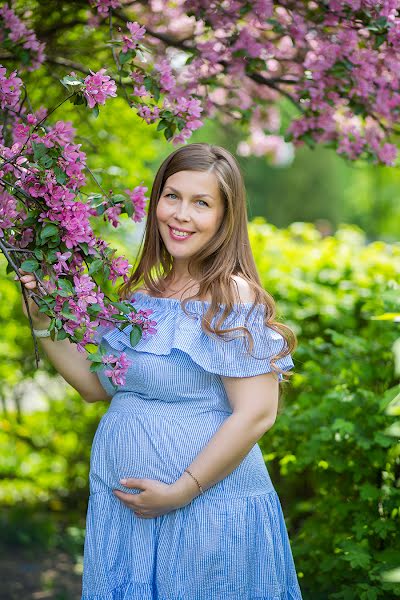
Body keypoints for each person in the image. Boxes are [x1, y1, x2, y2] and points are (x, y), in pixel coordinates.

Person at [19, 143, 303, 599]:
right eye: (172, 197)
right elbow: (96, 385)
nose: (181, 214)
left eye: (202, 203)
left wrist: (181, 491)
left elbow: (256, 414)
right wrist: (40, 318)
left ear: (226, 218)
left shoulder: (232, 298)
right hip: (128, 521)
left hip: (207, 512)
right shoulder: (142, 293)